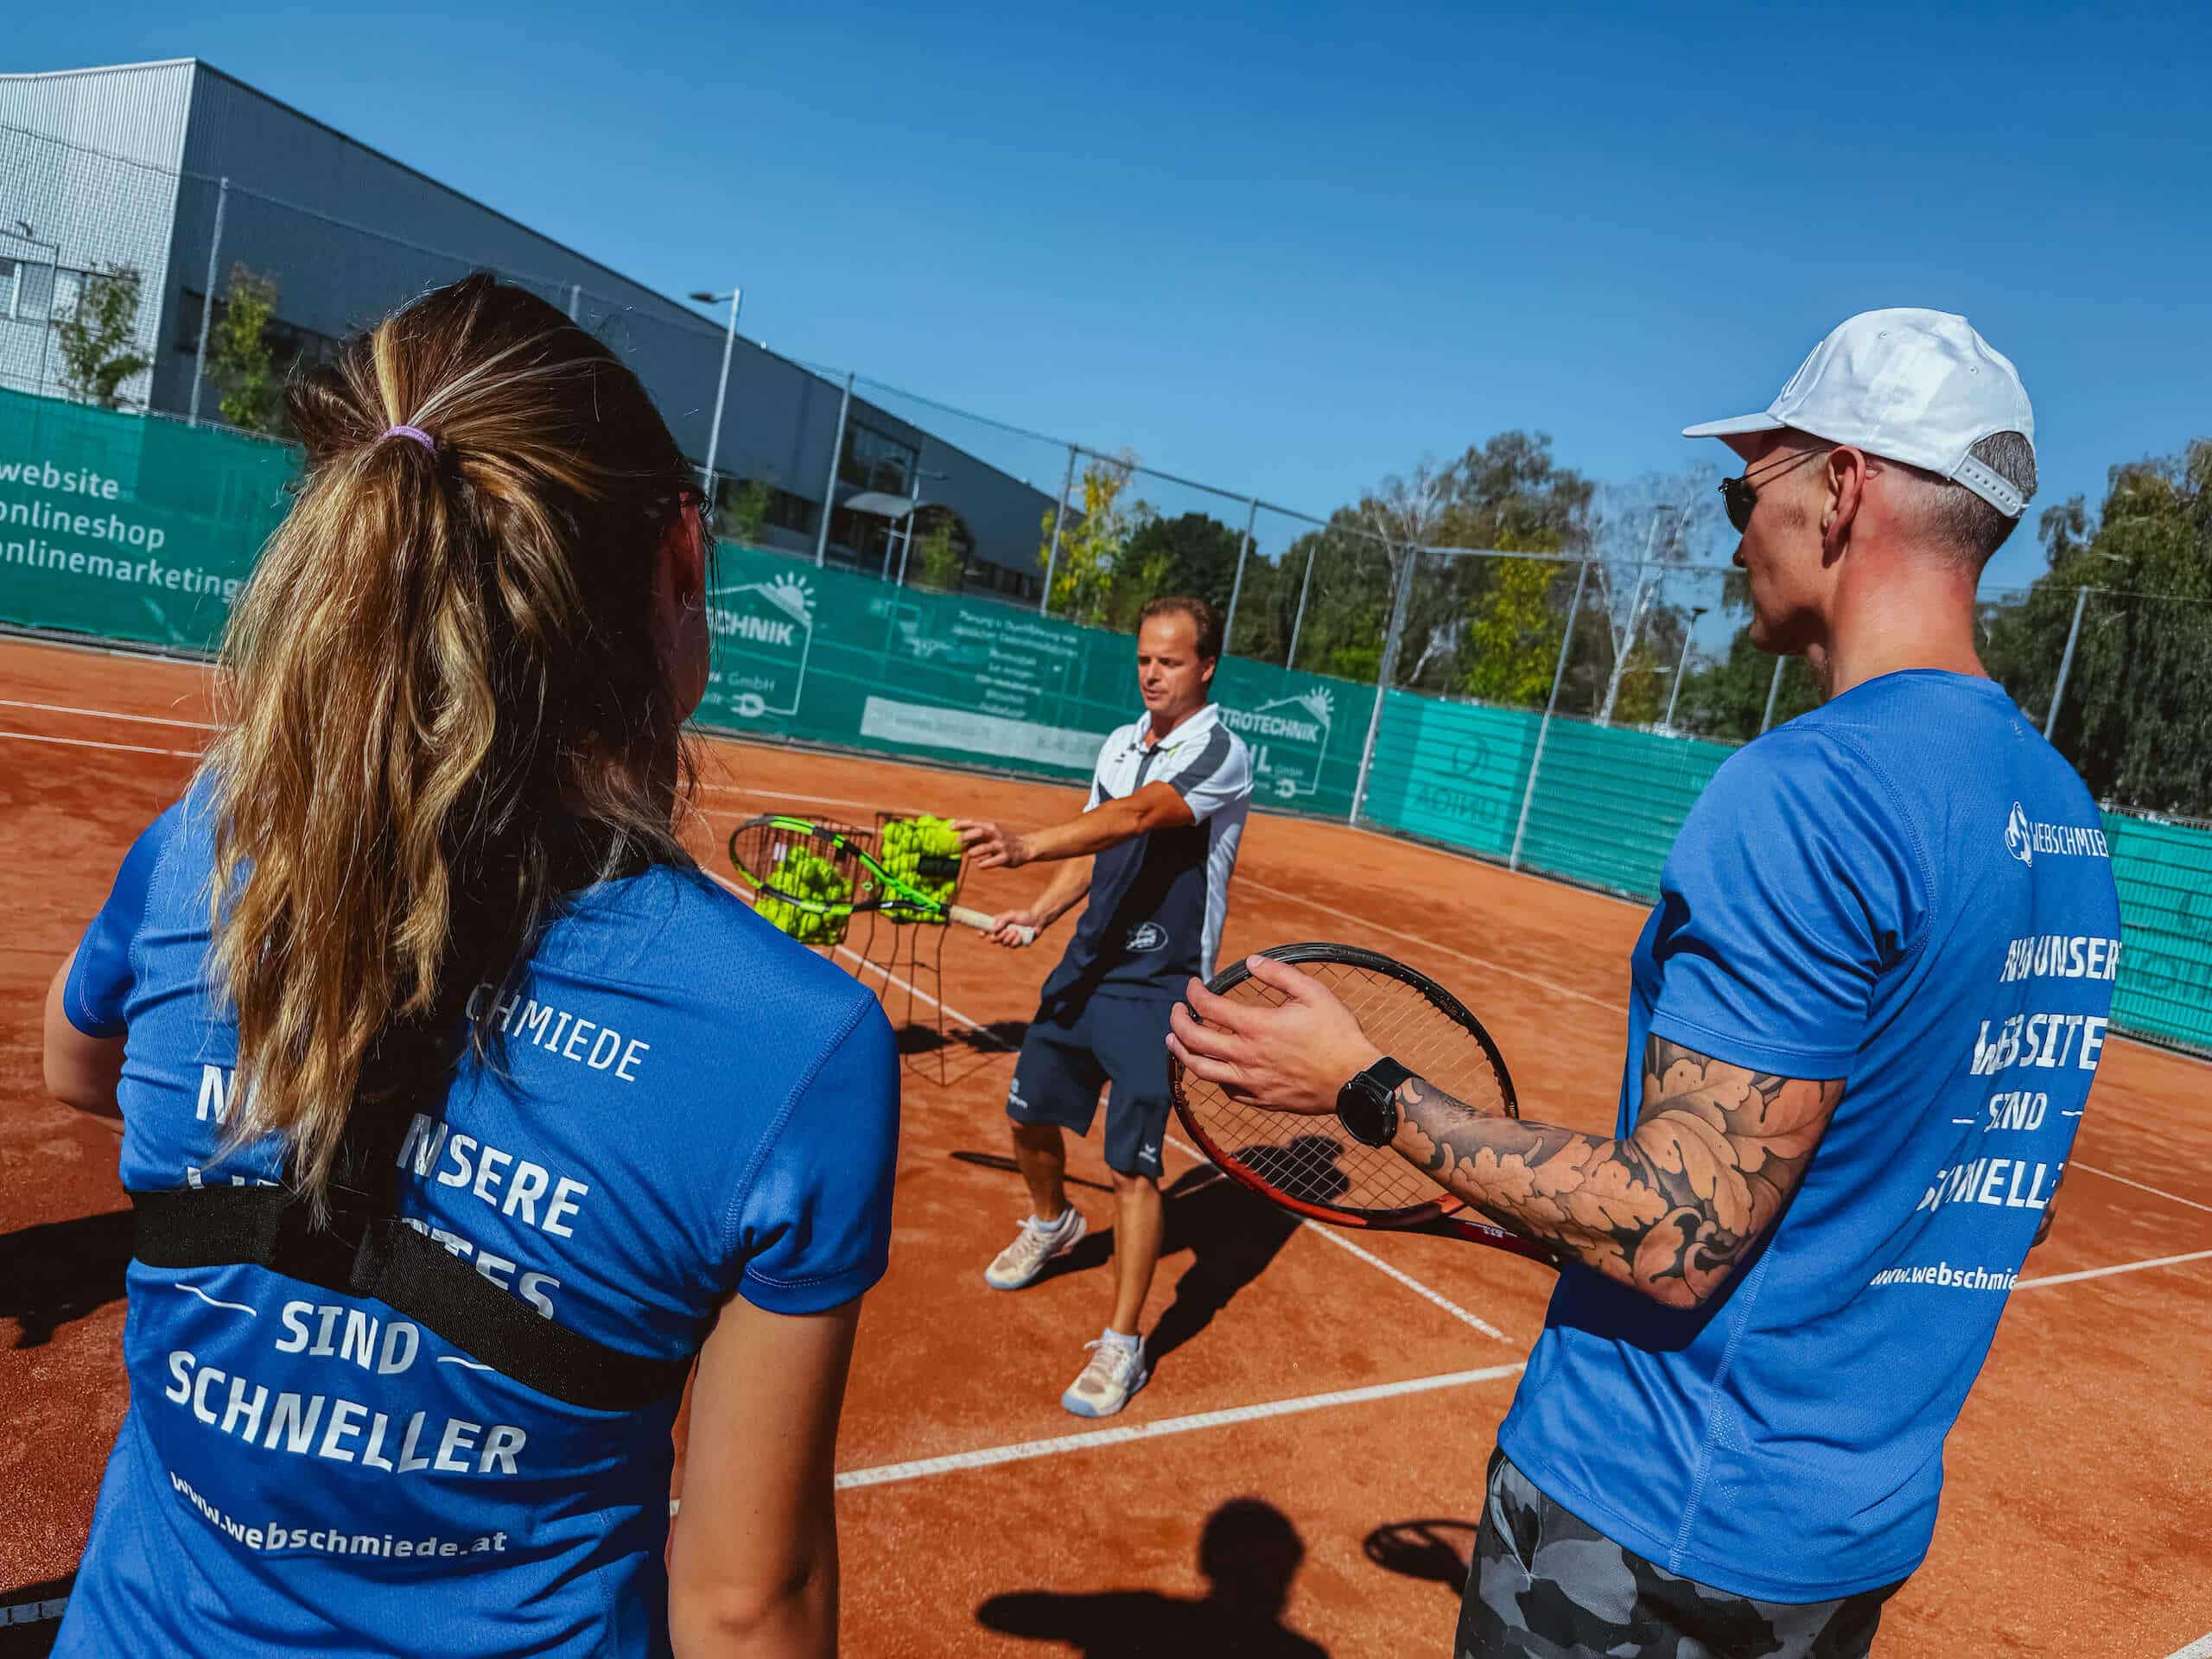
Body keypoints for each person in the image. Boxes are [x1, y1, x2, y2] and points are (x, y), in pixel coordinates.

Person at [1166, 309, 2121, 1656]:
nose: (1735, 533)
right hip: (1847, 1543)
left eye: (1750, 490)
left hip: (1659, 1508)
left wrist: (1362, 1085)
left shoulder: (1812, 792)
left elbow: (1677, 1235)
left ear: (1842, 489)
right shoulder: (2065, 816)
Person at [40, 274, 899, 1658]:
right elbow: (746, 1605)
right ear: (679, 558)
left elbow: (73, 1065)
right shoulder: (791, 1040)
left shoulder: (209, 837)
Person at [957, 595, 1254, 1417]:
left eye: (1169, 661)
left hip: (1156, 985)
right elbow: (1101, 838)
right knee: (1027, 1114)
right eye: (1144, 660)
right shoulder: (1121, 742)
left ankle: (1122, 1345)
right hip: (1087, 963)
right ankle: (1053, 1222)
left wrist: (1023, 846)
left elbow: (1138, 815)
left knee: (1132, 1166)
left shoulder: (1219, 752)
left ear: (1205, 668)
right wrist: (1040, 910)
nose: (1152, 674)